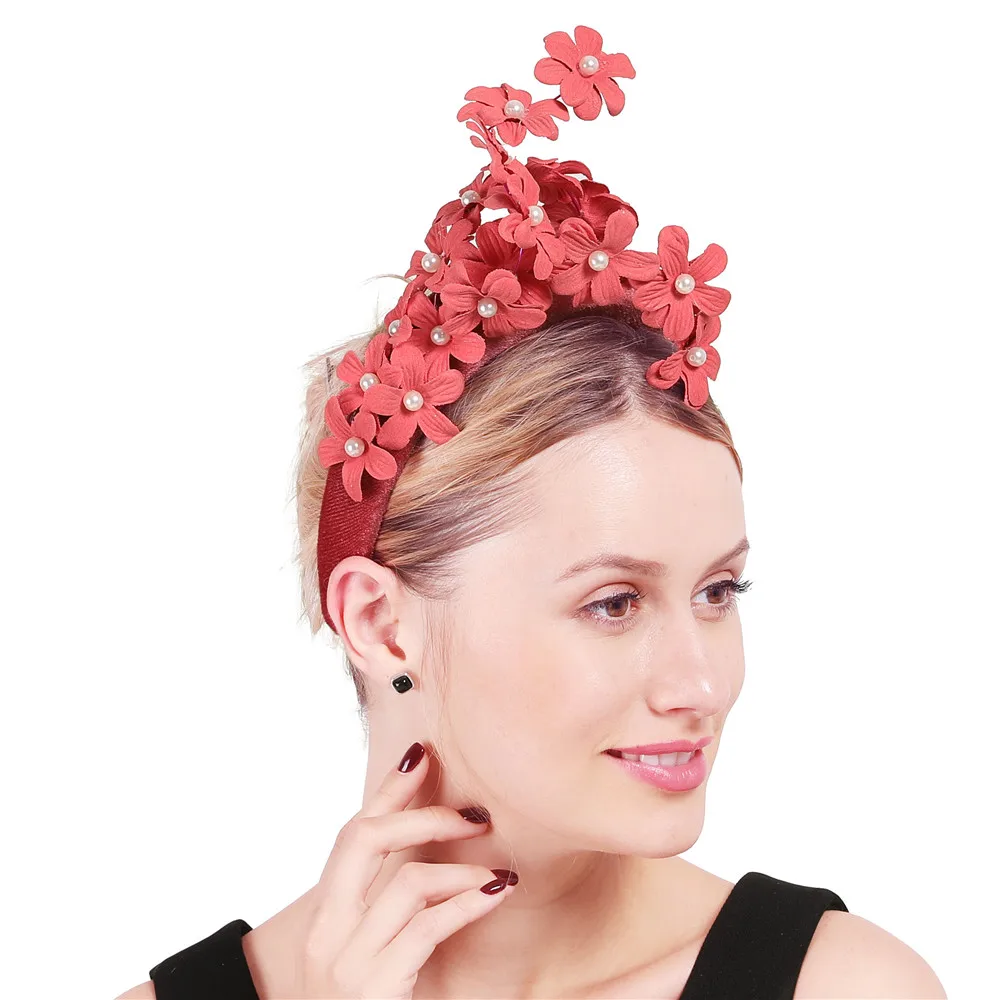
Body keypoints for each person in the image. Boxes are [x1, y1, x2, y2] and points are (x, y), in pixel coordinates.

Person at [117, 23, 946, 1000]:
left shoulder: (842, 985)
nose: (701, 683)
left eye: (719, 590)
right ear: (380, 621)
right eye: (614, 602)